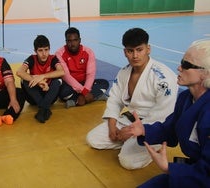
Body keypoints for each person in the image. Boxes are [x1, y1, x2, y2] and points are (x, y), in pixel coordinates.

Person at [121, 40, 210, 187]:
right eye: (182, 62)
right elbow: (171, 129)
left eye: (187, 65)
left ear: (206, 74)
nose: (179, 67)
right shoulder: (185, 98)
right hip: (195, 171)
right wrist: (143, 130)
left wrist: (169, 168)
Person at [86, 28, 179, 170]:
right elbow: (115, 99)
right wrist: (112, 126)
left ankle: (152, 147)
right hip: (128, 121)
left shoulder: (163, 78)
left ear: (148, 49)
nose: (135, 55)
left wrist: (134, 131)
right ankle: (128, 142)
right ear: (125, 52)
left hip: (152, 127)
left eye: (139, 50)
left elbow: (163, 114)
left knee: (127, 161)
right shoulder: (124, 72)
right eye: (130, 51)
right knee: (92, 139)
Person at [55, 27, 109, 108]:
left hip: (84, 83)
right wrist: (84, 92)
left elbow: (90, 74)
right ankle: (95, 97)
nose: (72, 44)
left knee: (104, 83)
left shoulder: (88, 52)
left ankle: (76, 100)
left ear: (80, 40)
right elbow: (66, 76)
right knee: (62, 92)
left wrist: (85, 91)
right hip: (70, 85)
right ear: (66, 42)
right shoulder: (59, 53)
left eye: (75, 40)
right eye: (69, 41)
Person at [16, 35, 64, 123]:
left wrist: (42, 76)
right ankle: (45, 108)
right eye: (40, 50)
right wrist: (39, 82)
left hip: (49, 94)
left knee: (58, 80)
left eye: (46, 50)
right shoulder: (32, 59)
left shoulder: (53, 58)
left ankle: (42, 108)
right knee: (24, 79)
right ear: (35, 51)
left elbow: (61, 72)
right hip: (34, 97)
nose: (44, 53)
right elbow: (19, 72)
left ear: (49, 49)